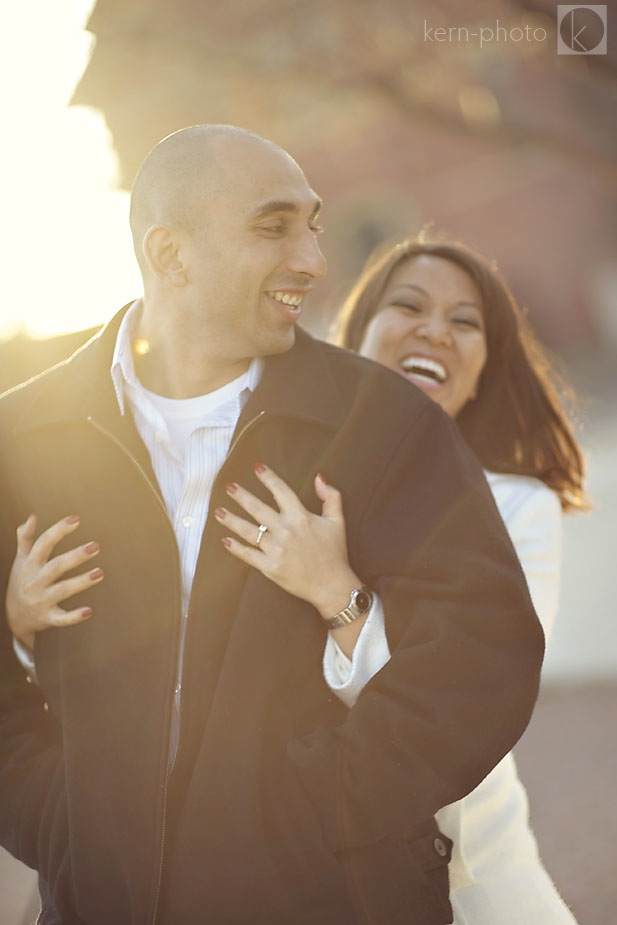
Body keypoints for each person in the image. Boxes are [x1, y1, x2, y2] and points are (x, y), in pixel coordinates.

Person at [0, 126, 543, 925]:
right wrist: (58, 811)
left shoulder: (386, 425)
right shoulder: (23, 436)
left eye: (312, 225)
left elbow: (481, 662)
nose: (313, 262)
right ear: (170, 253)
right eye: (272, 226)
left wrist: (313, 815)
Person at [331, 235, 588, 924]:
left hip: (462, 864)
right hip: (294, 857)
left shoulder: (515, 507)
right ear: (354, 337)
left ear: (482, 368)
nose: (434, 330)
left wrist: (334, 596)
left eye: (464, 320)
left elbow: (458, 706)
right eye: (407, 304)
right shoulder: (292, 482)